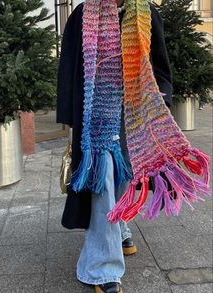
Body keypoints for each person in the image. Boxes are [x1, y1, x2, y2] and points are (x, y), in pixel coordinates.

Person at [57, 1, 210, 292]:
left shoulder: (147, 13)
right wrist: (68, 115)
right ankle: (102, 268)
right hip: (96, 117)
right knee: (102, 183)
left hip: (137, 114)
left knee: (126, 177)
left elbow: (160, 65)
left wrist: (160, 102)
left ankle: (121, 225)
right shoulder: (82, 14)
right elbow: (69, 66)